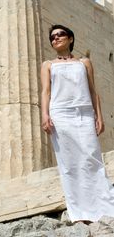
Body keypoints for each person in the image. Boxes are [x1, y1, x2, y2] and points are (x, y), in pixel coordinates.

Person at [41, 24, 114, 224]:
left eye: (60, 35)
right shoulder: (48, 64)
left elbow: (93, 91)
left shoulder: (84, 62)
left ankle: (105, 207)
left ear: (70, 39)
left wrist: (99, 116)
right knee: (69, 164)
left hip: (84, 113)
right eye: (52, 37)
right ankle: (79, 213)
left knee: (92, 158)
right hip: (61, 115)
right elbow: (46, 91)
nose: (55, 38)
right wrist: (45, 115)